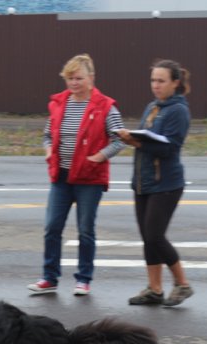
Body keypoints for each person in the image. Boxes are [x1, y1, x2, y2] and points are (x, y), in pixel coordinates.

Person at [27, 54, 125, 297]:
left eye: (79, 78)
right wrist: (49, 151)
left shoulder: (106, 106)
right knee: (52, 228)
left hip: (89, 179)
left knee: (85, 230)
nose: (73, 83)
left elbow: (119, 139)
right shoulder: (59, 103)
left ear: (91, 78)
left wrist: (98, 157)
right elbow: (48, 135)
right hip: (60, 176)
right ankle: (49, 278)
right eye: (69, 78)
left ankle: (84, 279)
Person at [117, 59, 194, 307]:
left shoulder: (178, 111)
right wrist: (131, 139)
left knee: (155, 235)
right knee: (147, 237)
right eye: (153, 80)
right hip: (144, 182)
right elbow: (148, 139)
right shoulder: (152, 107)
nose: (156, 85)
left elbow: (169, 148)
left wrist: (136, 141)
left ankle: (182, 284)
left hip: (166, 184)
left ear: (175, 83)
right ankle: (154, 289)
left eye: (161, 81)